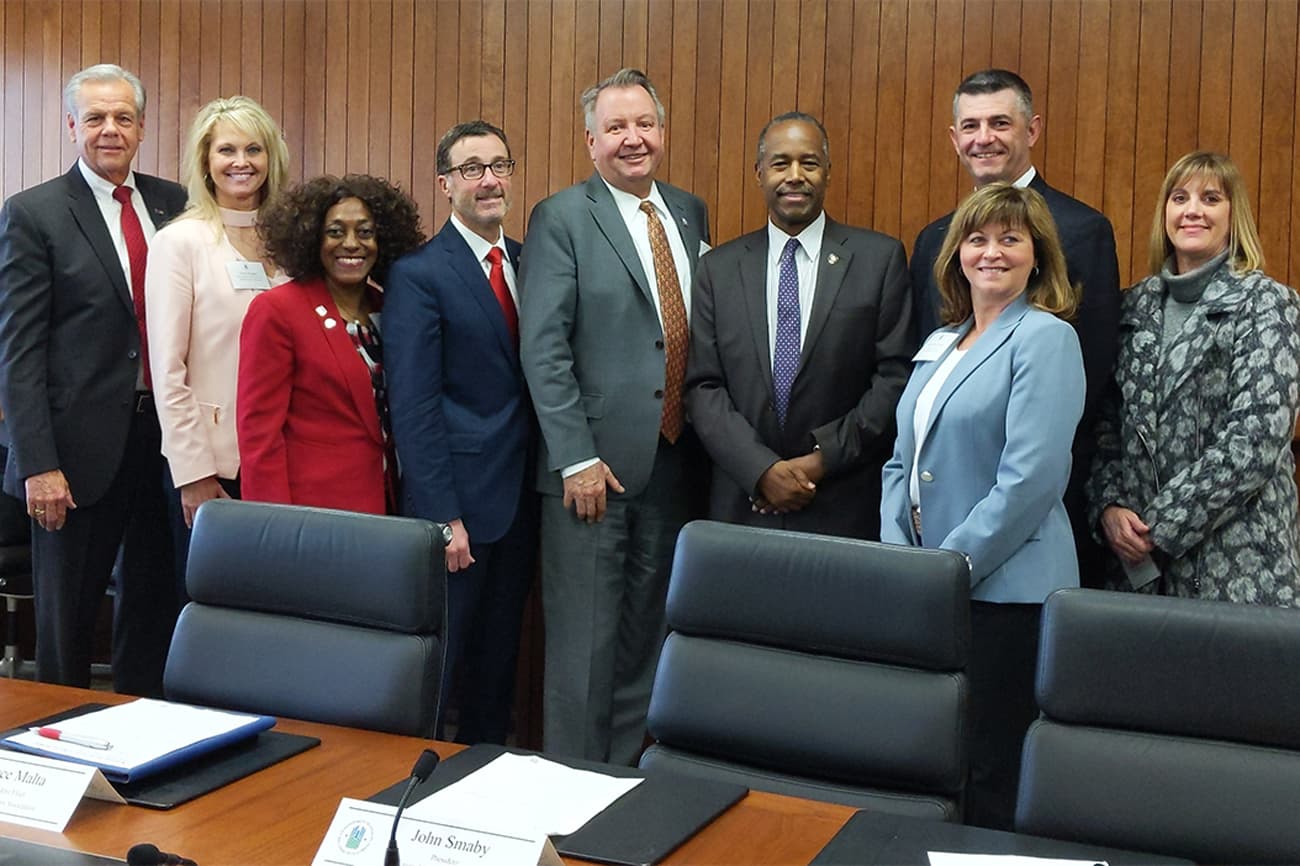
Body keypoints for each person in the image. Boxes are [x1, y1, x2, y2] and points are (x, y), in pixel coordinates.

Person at [519, 68, 710, 764]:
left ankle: (622, 782)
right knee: (584, 651)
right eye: (616, 128)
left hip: (673, 463)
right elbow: (544, 348)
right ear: (591, 139)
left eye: (644, 125)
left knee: (645, 642)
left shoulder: (690, 212)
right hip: (591, 470)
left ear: (662, 131)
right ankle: (570, 792)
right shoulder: (562, 216)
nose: (633, 139)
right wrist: (574, 456)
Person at [881, 183, 1084, 830]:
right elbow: (899, 461)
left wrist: (949, 568)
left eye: (1009, 239)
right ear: (956, 254)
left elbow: (1031, 480)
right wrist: (901, 564)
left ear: (1038, 257)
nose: (991, 252)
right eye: (977, 238)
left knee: (993, 770)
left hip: (1005, 594)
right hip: (931, 590)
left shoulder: (1045, 338)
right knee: (936, 764)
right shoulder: (944, 341)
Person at [0, 64, 187, 694]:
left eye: (124, 118)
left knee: (156, 607)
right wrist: (37, 464)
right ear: (72, 124)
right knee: (68, 622)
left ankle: (142, 744)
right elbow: (19, 352)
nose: (111, 130)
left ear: (142, 127)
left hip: (163, 446)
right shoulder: (34, 213)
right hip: (73, 457)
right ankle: (53, 752)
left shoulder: (177, 204)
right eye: (96, 118)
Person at [910, 68, 1120, 589]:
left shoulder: (1082, 230)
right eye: (971, 125)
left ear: (1032, 130)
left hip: (1026, 520)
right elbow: (923, 374)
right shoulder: (932, 239)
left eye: (1000, 122)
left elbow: (1090, 376)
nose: (984, 138)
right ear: (953, 138)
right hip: (934, 512)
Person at [685, 112, 912, 539]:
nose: (794, 176)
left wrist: (820, 460)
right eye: (780, 163)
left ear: (827, 172)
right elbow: (702, 387)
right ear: (759, 173)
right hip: (743, 504)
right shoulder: (717, 269)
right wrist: (761, 470)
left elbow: (894, 380)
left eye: (808, 163)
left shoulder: (878, 261)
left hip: (842, 503)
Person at [1088, 152, 1300, 607]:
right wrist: (1108, 509)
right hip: (1137, 576)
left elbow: (1255, 440)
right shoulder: (1133, 307)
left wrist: (1158, 528)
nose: (1193, 210)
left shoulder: (1267, 303)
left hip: (1239, 569)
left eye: (1210, 198)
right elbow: (1107, 426)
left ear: (1232, 214)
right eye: (1179, 197)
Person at [386, 120, 538, 745]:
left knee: (498, 668)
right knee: (441, 669)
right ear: (446, 184)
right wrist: (443, 515)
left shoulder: (532, 263)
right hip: (459, 513)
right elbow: (415, 407)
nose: (489, 180)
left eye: (499, 166)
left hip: (524, 503)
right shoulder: (419, 274)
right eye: (472, 169)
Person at [145, 95, 290, 596]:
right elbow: (167, 369)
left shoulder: (288, 242)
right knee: (216, 611)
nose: (241, 162)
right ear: (206, 162)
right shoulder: (180, 242)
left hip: (283, 463)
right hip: (214, 467)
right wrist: (194, 474)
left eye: (255, 149)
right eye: (226, 150)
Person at [237, 175, 423, 514]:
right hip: (313, 511)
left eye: (365, 232)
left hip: (388, 504)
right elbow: (259, 436)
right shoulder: (277, 310)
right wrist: (273, 524)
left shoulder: (389, 306)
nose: (352, 243)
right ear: (311, 239)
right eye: (335, 232)